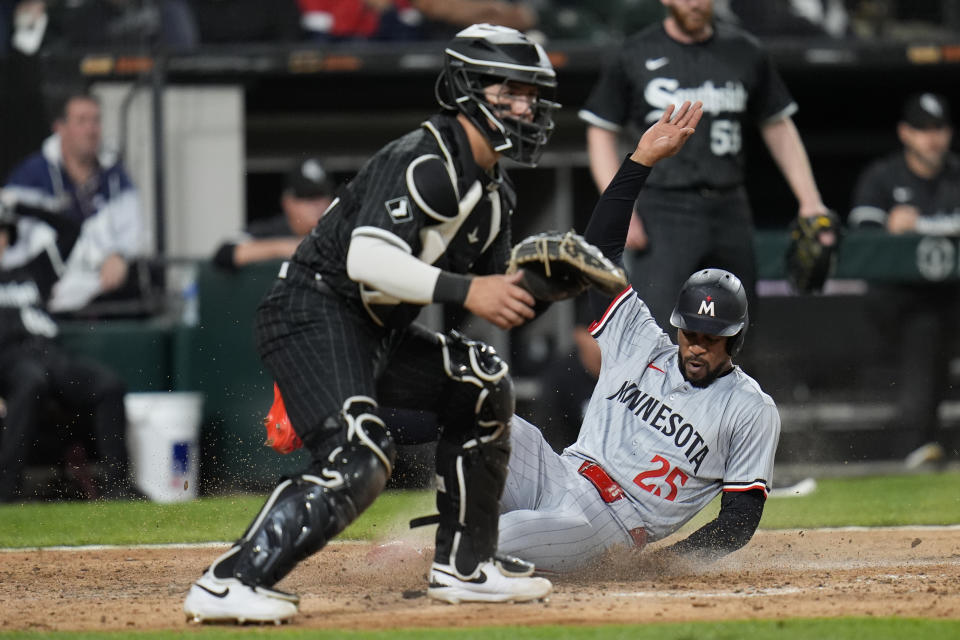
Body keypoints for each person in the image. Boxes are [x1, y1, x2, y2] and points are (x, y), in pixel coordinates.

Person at [183, 24, 562, 623]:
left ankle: (465, 565)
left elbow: (494, 297)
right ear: (467, 89)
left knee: (481, 380)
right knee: (362, 452)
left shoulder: (494, 195)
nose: (525, 107)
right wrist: (473, 289)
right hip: (312, 311)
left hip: (373, 332)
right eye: (510, 92)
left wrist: (547, 286)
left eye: (531, 96)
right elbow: (368, 260)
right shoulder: (423, 158)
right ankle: (232, 579)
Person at [496, 102, 782, 572]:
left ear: (735, 339)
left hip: (605, 524)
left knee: (493, 540)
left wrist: (658, 568)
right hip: (559, 472)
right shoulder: (640, 340)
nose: (697, 344)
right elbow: (597, 256)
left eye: (713, 337)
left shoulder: (750, 408)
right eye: (690, 331)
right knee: (481, 417)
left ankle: (469, 552)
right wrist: (640, 160)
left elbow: (739, 521)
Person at [578, 0, 830, 335]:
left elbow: (778, 125)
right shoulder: (635, 52)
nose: (695, 3)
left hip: (730, 204)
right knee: (659, 330)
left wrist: (810, 200)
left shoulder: (745, 50)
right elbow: (600, 129)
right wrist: (625, 209)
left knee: (738, 328)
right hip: (664, 208)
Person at [848, 92, 960, 468]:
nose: (933, 138)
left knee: (938, 317)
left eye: (939, 129)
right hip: (894, 301)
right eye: (923, 129)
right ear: (905, 133)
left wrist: (919, 227)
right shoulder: (883, 177)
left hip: (950, 295)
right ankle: (914, 444)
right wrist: (890, 231)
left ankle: (921, 445)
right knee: (926, 324)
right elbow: (861, 241)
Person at [0, 198, 134, 502]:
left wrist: (20, 207)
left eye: (2, 233)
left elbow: (71, 230)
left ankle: (117, 487)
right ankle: (6, 493)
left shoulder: (31, 271)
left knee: (108, 385)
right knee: (31, 380)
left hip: (51, 355)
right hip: (10, 361)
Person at [2, 91, 144, 313]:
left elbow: (133, 231)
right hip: (40, 291)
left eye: (96, 120)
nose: (91, 129)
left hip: (101, 291)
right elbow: (8, 225)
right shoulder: (31, 174)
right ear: (60, 128)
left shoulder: (115, 176)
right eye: (81, 121)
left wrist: (119, 255)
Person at [212, 157, 335, 270]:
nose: (317, 205)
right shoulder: (273, 229)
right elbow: (225, 254)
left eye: (321, 196)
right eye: (308, 197)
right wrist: (287, 247)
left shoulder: (338, 230)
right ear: (288, 202)